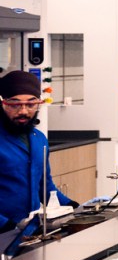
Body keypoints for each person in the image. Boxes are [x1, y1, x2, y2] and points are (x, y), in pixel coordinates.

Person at [0, 71, 78, 235]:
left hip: (31, 230)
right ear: (3, 103)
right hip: (5, 230)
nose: (23, 111)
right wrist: (7, 226)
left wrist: (73, 207)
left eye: (31, 104)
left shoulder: (38, 139)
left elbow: (45, 185)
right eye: (15, 104)